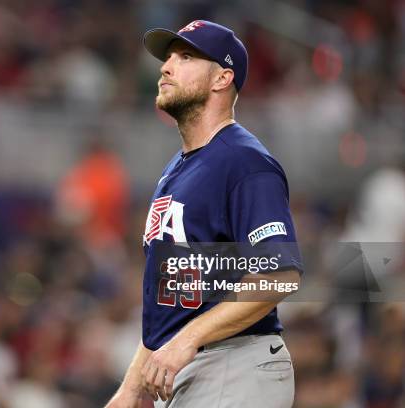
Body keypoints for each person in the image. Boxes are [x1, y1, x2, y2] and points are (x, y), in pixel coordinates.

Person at [106, 20, 303, 408]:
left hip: (234, 362)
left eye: (186, 56)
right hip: (191, 368)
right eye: (168, 58)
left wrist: (187, 340)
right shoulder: (176, 171)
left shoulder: (243, 161)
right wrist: (130, 388)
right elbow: (172, 299)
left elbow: (279, 274)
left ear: (221, 78)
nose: (165, 66)